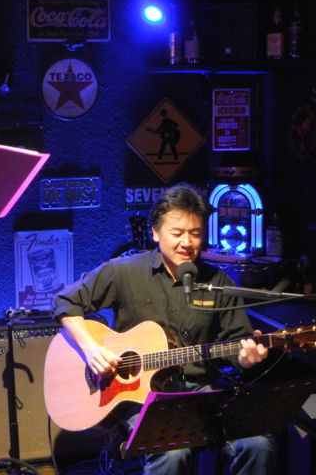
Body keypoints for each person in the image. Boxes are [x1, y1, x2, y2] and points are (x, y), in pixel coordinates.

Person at [53, 183, 275, 474]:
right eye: (177, 233)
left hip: (200, 392)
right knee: (172, 452)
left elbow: (237, 342)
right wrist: (91, 348)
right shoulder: (124, 271)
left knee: (258, 444)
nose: (187, 242)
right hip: (138, 397)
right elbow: (66, 302)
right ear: (156, 232)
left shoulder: (217, 282)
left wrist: (245, 359)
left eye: (195, 234)